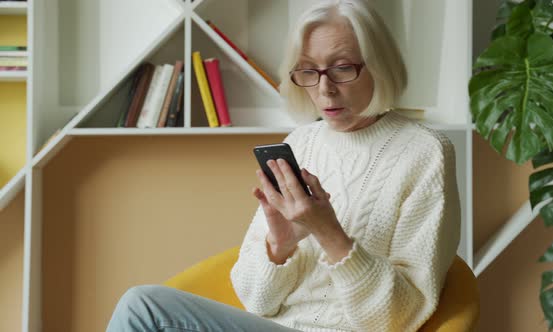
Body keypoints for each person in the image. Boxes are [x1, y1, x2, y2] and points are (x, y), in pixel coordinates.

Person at [106, 0, 461, 331]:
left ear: (380, 65)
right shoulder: (300, 143)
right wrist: (279, 245)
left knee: (143, 307)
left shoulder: (425, 153)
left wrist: (328, 232)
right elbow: (255, 301)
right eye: (309, 71)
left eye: (342, 69)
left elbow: (399, 318)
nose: (325, 89)